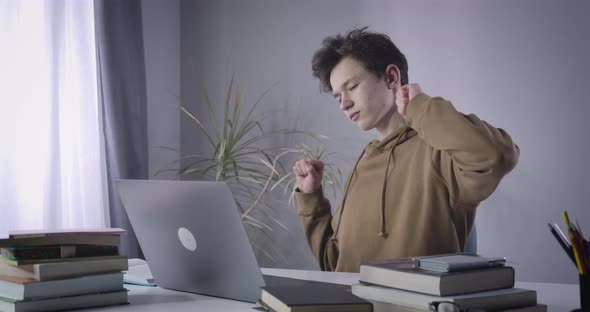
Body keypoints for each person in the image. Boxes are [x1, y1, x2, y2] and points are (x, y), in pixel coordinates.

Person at [292, 27, 520, 272]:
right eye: (338, 97)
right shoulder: (361, 168)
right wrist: (311, 199)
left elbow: (496, 156)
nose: (344, 104)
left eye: (353, 86)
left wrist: (420, 108)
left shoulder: (437, 151)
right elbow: (334, 265)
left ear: (391, 77)